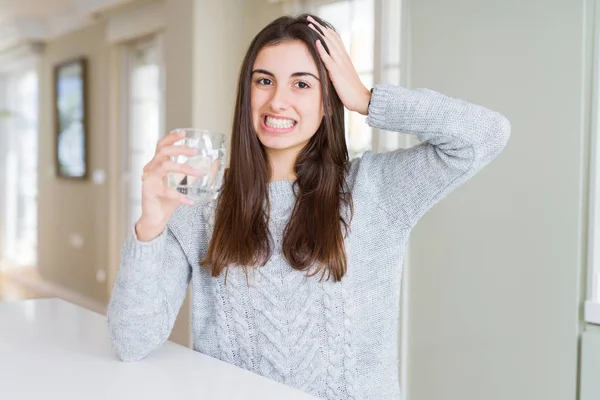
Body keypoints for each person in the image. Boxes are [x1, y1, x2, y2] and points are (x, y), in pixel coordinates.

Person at [107, 13, 511, 400]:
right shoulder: (201, 203)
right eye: (264, 81)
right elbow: (131, 340)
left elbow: (486, 134)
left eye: (302, 84)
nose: (277, 101)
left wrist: (367, 99)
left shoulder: (375, 189)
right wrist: (151, 223)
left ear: (327, 99)